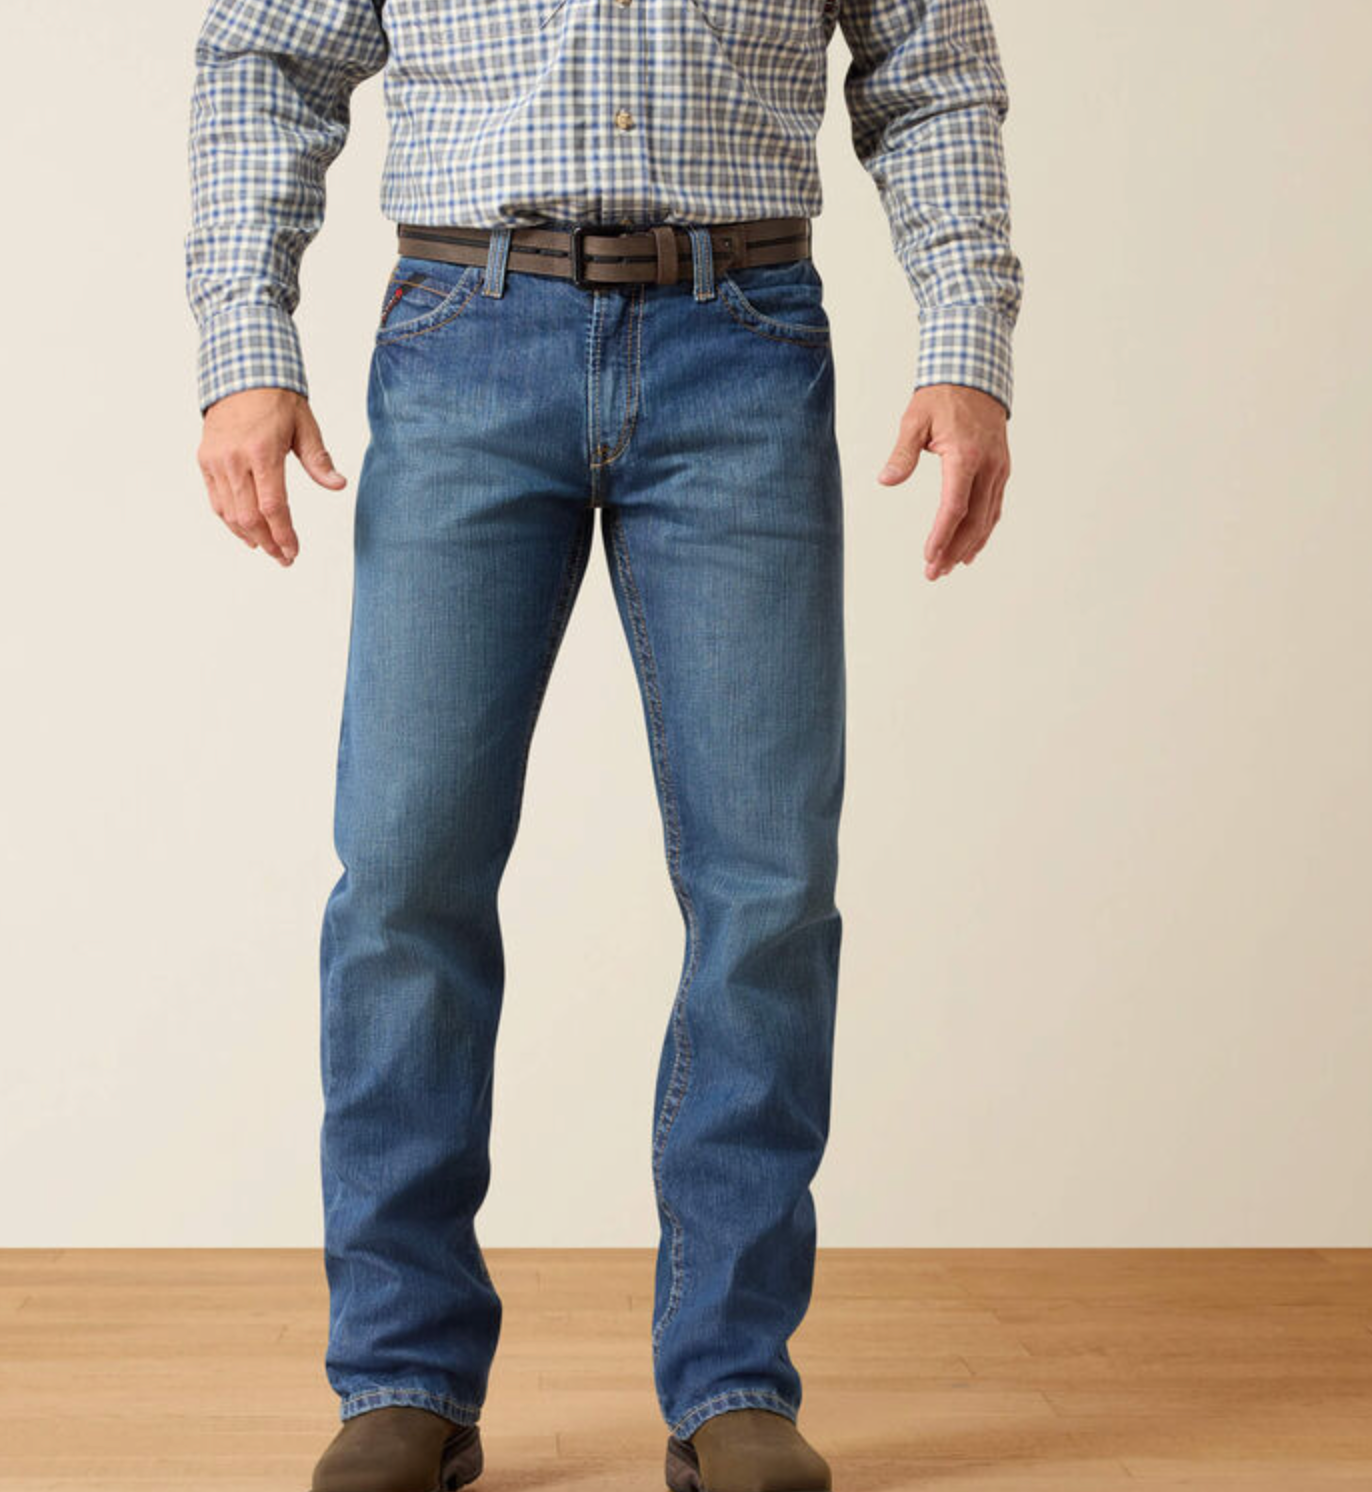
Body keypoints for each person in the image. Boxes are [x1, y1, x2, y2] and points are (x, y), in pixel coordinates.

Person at [184, 2, 1022, 1488]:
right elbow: (267, 54)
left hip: (743, 341)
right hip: (464, 330)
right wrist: (245, 342)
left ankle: (733, 1382)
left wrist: (966, 345)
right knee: (405, 875)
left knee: (767, 887)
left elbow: (931, 67)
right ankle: (402, 1372)